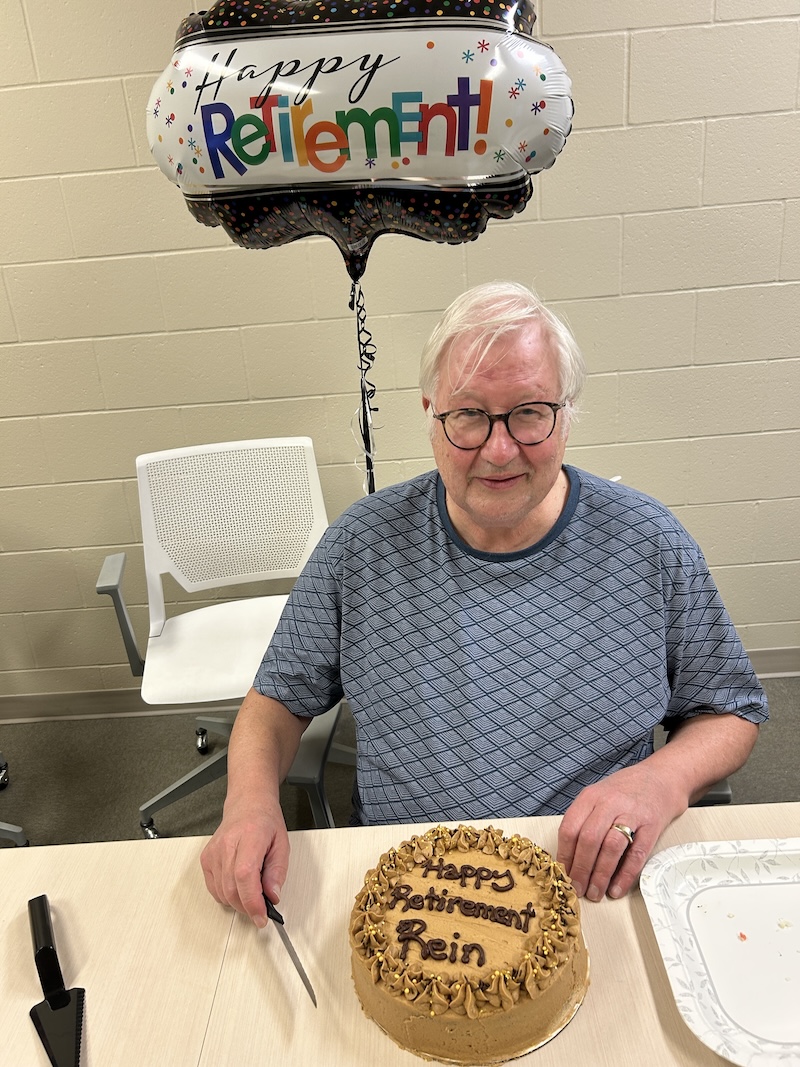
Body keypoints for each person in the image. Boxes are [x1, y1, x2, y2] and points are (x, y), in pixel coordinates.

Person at [201, 281, 767, 924]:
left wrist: (661, 782)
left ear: (566, 411)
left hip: (585, 875)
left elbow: (731, 710)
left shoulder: (649, 544)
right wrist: (249, 802)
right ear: (431, 414)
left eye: (529, 412)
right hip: (407, 877)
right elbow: (277, 700)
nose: (499, 451)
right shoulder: (360, 544)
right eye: (469, 414)